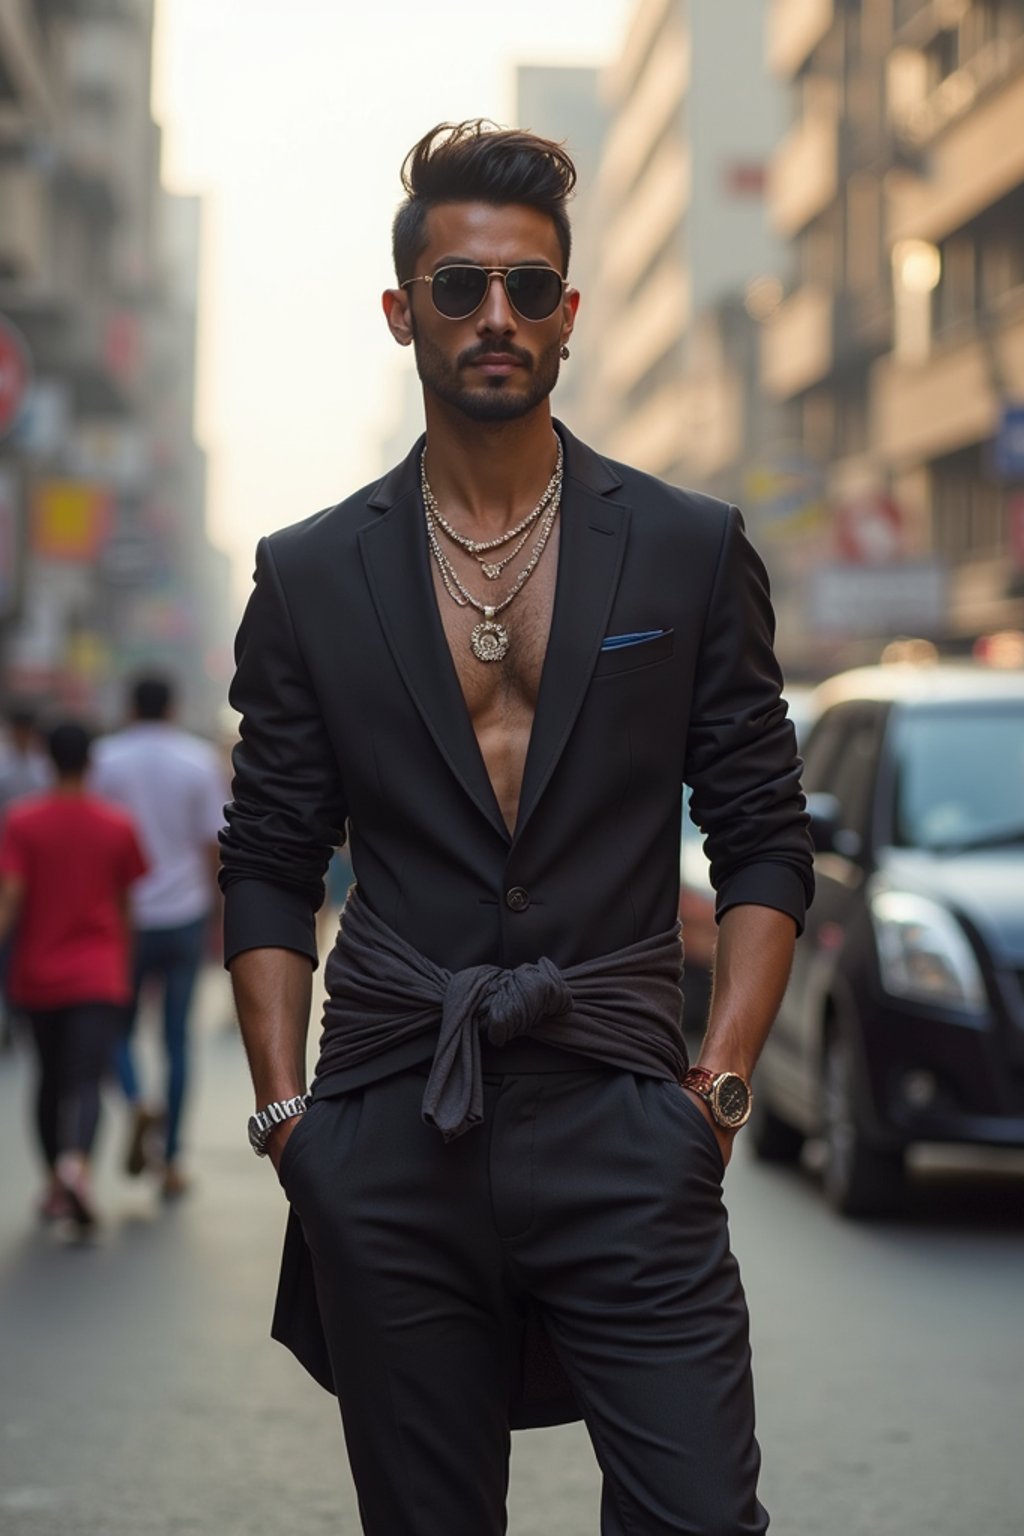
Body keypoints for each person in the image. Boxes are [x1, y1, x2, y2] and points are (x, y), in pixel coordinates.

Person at [219, 121, 814, 1536]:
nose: (498, 316)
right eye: (461, 287)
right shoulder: (310, 574)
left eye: (530, 289)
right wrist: (288, 1116)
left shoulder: (684, 543)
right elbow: (266, 857)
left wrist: (718, 1089)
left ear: (571, 314)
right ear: (401, 311)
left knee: (698, 1518)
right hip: (391, 1116)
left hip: (622, 1109)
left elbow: (763, 832)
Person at [0, 720, 147, 1229]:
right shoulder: (118, 824)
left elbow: (11, 899)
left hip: (37, 973)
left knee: (47, 1078)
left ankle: (53, 1183)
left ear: (46, 759)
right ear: (91, 762)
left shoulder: (21, 822)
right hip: (99, 972)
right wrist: (125, 967)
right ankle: (77, 1166)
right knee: (87, 1078)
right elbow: (128, 905)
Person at [91, 675, 227, 1198]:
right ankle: (170, 1160)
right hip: (183, 915)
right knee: (176, 1040)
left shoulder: (104, 760)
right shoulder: (197, 762)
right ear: (172, 706)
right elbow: (212, 845)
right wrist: (218, 914)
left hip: (121, 919)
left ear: (130, 706)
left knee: (112, 1029)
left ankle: (134, 1099)